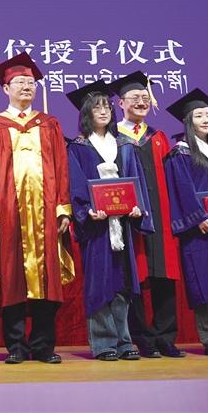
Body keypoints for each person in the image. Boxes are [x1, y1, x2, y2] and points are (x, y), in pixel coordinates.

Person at [0, 53, 74, 364]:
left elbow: (62, 167)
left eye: (30, 83)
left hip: (46, 213)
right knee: (12, 278)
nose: (26, 87)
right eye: (19, 82)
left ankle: (44, 346)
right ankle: (16, 346)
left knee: (47, 278)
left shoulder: (50, 124)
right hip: (9, 215)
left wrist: (63, 208)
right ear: (6, 88)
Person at [65, 81, 154, 361]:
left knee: (123, 282)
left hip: (122, 224)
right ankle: (104, 342)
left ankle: (124, 340)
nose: (103, 111)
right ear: (86, 113)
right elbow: (75, 184)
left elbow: (135, 180)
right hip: (97, 226)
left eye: (106, 106)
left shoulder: (124, 145)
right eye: (96, 107)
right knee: (100, 283)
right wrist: (86, 211)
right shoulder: (78, 147)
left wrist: (138, 207)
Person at [108, 71, 184, 358]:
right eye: (134, 98)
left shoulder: (158, 137)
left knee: (164, 276)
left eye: (144, 97)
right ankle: (142, 338)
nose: (141, 102)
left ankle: (166, 337)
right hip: (130, 217)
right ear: (121, 103)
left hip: (161, 215)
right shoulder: (114, 137)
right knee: (135, 278)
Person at [164, 89, 208, 357]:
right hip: (201, 229)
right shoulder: (181, 153)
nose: (205, 120)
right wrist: (199, 217)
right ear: (188, 121)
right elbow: (182, 189)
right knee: (207, 283)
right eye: (199, 115)